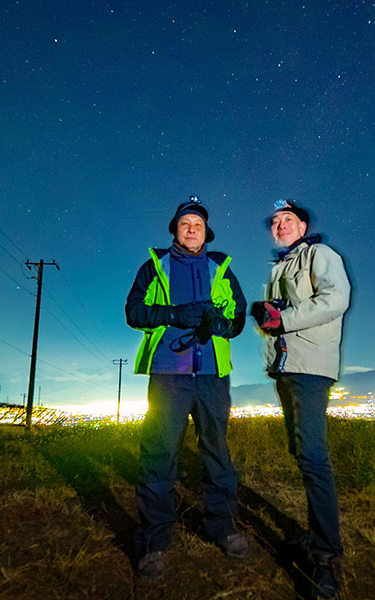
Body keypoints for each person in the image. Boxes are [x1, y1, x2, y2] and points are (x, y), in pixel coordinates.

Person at [125, 195, 249, 580]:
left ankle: (221, 526)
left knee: (217, 453)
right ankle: (155, 542)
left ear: (206, 231)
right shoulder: (154, 267)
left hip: (213, 376)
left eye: (197, 223)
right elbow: (134, 312)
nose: (191, 228)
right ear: (175, 231)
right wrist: (174, 315)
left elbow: (239, 317)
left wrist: (222, 325)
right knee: (159, 454)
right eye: (184, 223)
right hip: (169, 375)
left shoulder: (221, 268)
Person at [250, 199, 351, 600]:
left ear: (303, 225)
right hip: (288, 368)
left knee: (313, 457)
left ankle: (327, 559)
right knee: (302, 454)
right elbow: (277, 322)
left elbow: (336, 299)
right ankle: (315, 540)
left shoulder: (320, 254)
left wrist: (283, 318)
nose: (279, 225)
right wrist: (268, 323)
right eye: (274, 222)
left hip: (311, 368)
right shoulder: (280, 269)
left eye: (287, 219)